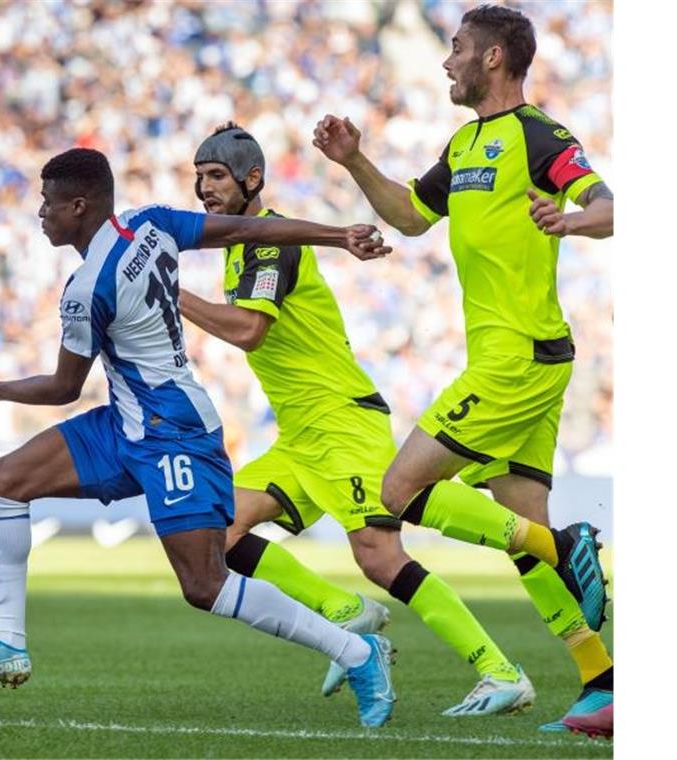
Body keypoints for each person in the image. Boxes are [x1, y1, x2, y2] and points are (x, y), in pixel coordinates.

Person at [0, 147, 399, 727]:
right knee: (3, 481)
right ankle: (6, 641)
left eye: (47, 204)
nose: (40, 214)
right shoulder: (151, 224)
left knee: (205, 585)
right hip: (124, 421)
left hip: (175, 432)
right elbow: (249, 229)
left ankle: (357, 651)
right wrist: (338, 236)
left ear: (79, 206)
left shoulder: (87, 289)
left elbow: (62, 388)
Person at [311, 4, 613, 738]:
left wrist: (568, 219)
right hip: (514, 359)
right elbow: (412, 217)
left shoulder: (540, 135)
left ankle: (571, 545)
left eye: (456, 49)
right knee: (521, 533)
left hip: (518, 360)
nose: (446, 62)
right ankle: (604, 686)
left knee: (398, 489)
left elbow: (607, 206)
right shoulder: (465, 144)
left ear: (494, 59)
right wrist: (354, 162)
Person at [180, 121, 534, 717]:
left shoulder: (269, 242)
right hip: (301, 434)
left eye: (215, 176)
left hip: (341, 421)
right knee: (221, 530)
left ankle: (500, 670)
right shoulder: (247, 242)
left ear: (253, 179)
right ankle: (348, 615)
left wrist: (172, 292)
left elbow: (249, 330)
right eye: (198, 177)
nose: (204, 188)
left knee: (378, 554)